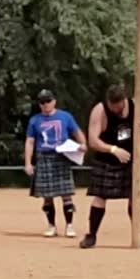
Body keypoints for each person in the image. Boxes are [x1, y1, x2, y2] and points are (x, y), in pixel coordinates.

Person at [80, 84, 140, 249]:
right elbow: (93, 140)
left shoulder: (135, 106)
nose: (115, 109)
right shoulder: (100, 110)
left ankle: (138, 234)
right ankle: (91, 235)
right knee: (100, 196)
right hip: (106, 161)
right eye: (112, 105)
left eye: (118, 106)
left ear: (124, 100)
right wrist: (113, 150)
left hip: (132, 160)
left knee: (135, 197)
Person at [25, 90, 88, 238]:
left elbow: (77, 131)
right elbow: (30, 141)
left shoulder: (65, 116)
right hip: (43, 157)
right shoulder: (35, 120)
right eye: (42, 102)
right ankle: (51, 226)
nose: (45, 104)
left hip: (61, 156)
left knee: (66, 194)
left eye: (48, 101)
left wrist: (83, 144)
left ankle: (70, 226)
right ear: (39, 104)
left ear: (54, 101)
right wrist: (28, 163)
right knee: (47, 196)